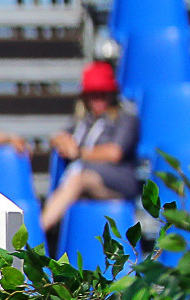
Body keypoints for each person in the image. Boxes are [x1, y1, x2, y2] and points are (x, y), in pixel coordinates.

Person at [41, 60, 139, 235]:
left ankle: (38, 231)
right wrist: (65, 142)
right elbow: (58, 137)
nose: (99, 99)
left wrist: (78, 153)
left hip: (117, 182)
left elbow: (114, 153)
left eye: (104, 94)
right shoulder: (84, 121)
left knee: (80, 179)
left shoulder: (126, 118)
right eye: (93, 94)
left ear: (112, 94)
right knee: (76, 181)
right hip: (87, 181)